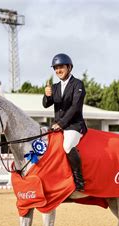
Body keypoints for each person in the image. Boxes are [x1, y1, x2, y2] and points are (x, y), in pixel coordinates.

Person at [43, 53, 87, 191]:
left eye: (61, 67)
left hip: (74, 125)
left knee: (67, 146)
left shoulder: (77, 84)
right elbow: (46, 104)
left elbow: (75, 107)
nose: (58, 70)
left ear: (69, 67)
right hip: (58, 126)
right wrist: (47, 95)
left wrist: (61, 124)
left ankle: (79, 180)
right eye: (55, 68)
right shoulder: (55, 87)